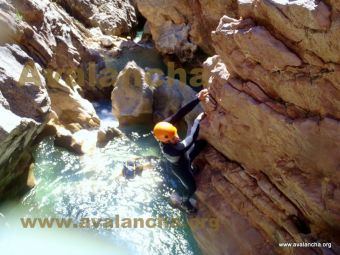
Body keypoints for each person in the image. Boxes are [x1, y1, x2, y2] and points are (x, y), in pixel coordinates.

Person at [153, 89, 210, 214]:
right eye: (173, 138)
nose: (177, 138)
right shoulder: (173, 149)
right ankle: (185, 202)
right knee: (192, 187)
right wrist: (198, 120)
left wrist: (198, 99)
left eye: (175, 134)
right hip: (180, 167)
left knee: (201, 145)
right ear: (166, 141)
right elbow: (192, 137)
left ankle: (192, 168)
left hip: (183, 158)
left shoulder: (164, 129)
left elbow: (180, 113)